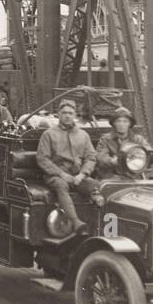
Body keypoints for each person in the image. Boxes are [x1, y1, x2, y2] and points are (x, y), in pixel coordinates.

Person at [35, 98, 104, 233]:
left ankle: (99, 225)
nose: (67, 116)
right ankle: (76, 222)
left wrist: (83, 174)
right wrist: (61, 174)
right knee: (61, 185)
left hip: (77, 176)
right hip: (55, 175)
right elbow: (42, 158)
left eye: (70, 113)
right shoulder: (49, 134)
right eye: (64, 113)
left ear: (75, 116)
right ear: (59, 114)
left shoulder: (83, 135)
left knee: (97, 186)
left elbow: (91, 157)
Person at [94, 106, 152, 180]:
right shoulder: (106, 139)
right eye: (118, 121)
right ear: (114, 123)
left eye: (125, 121)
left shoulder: (137, 139)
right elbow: (100, 157)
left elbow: (147, 151)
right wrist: (111, 161)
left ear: (129, 124)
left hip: (133, 173)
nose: (122, 124)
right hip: (111, 174)